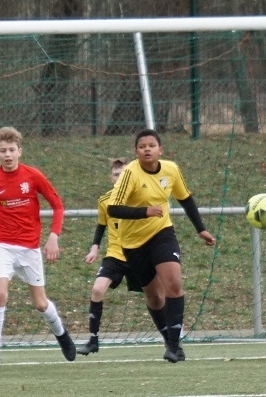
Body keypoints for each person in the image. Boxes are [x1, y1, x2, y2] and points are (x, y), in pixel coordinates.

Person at [0, 126, 76, 372]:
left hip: (29, 248)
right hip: (2, 246)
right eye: (3, 151)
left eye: (11, 150)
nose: (7, 155)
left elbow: (57, 205)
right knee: (0, 294)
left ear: (20, 151)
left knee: (41, 304)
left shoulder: (33, 176)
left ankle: (61, 334)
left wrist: (54, 236)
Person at [106, 129, 216, 363]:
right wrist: (145, 211)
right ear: (136, 151)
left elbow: (185, 198)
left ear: (160, 150)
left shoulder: (171, 169)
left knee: (174, 284)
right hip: (133, 242)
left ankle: (175, 346)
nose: (147, 149)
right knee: (155, 298)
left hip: (162, 233)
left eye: (151, 145)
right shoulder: (129, 174)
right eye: (142, 146)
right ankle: (168, 340)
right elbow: (113, 209)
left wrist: (201, 229)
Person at [78, 157, 142, 355]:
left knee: (156, 297)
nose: (119, 177)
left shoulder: (139, 198)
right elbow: (101, 225)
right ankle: (93, 340)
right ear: (111, 178)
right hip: (115, 254)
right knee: (97, 290)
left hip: (139, 253)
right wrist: (94, 248)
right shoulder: (105, 201)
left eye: (123, 174)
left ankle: (172, 339)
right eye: (116, 174)